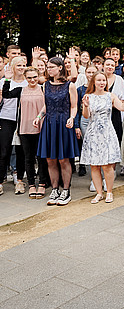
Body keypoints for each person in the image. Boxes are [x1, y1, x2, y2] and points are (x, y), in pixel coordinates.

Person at [34, 57, 79, 206]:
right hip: (49, 124)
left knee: (63, 159)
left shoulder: (69, 85)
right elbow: (46, 106)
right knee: (50, 159)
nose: (49, 69)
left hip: (64, 124)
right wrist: (39, 117)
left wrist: (72, 118)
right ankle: (55, 189)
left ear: (60, 68)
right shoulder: (45, 85)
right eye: (48, 67)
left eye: (51, 67)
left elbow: (74, 106)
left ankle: (66, 190)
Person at [81, 72, 124, 204]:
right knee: (94, 165)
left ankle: (109, 191)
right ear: (94, 82)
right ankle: (99, 193)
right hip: (93, 133)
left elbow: (123, 108)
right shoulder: (88, 97)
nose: (102, 82)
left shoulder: (110, 96)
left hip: (107, 132)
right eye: (99, 80)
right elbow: (86, 116)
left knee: (107, 165)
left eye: (103, 80)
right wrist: (86, 106)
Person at [1, 67, 47, 198]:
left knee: (41, 157)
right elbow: (6, 94)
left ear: (38, 76)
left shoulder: (44, 89)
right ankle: (31, 184)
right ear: (25, 78)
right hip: (24, 128)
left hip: (41, 127)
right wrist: (8, 79)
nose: (32, 80)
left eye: (34, 77)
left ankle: (42, 184)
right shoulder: (21, 90)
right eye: (29, 78)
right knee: (28, 157)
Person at [0, 56, 27, 195]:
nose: (21, 68)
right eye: (19, 65)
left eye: (23, 65)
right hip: (6, 118)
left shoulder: (29, 82)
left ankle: (20, 181)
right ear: (13, 66)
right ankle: (0, 182)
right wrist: (7, 79)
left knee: (21, 151)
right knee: (4, 151)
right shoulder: (4, 81)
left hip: (23, 120)